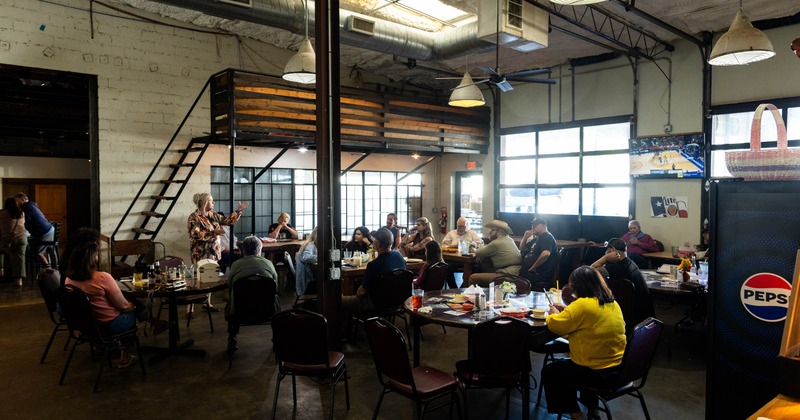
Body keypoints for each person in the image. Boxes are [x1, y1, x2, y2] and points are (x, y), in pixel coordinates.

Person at [542, 266, 627, 420]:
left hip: (596, 372)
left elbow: (556, 325)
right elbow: (588, 320)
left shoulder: (582, 305)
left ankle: (577, 415)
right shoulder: (611, 302)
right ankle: (594, 411)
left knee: (551, 372)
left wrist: (552, 314)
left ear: (578, 287)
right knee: (570, 367)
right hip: (620, 368)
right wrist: (569, 310)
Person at [64, 237, 147, 368]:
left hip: (86, 328)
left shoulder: (69, 281)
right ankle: (125, 355)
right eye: (96, 254)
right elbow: (123, 306)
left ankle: (100, 346)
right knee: (135, 309)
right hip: (109, 326)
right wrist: (132, 306)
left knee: (130, 306)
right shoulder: (102, 277)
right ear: (92, 259)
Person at [187, 192, 248, 312]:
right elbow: (195, 234)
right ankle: (190, 308)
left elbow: (228, 221)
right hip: (200, 252)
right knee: (197, 278)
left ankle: (207, 304)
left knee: (210, 277)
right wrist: (213, 233)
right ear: (204, 203)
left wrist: (238, 210)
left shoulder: (213, 215)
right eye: (211, 201)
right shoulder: (194, 217)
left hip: (213, 252)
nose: (213, 203)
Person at [225, 235, 280, 351]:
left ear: (243, 250)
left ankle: (232, 337)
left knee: (231, 299)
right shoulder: (268, 264)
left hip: (240, 310)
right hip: (266, 309)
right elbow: (276, 288)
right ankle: (276, 338)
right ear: (260, 250)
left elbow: (230, 287)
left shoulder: (236, 265)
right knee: (276, 298)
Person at [590, 238, 655, 326]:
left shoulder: (617, 268)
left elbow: (589, 273)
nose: (605, 253)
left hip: (634, 318)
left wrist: (604, 258)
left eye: (607, 251)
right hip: (644, 315)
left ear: (613, 251)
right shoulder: (630, 263)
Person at [342, 228, 406, 317]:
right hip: (397, 300)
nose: (373, 241)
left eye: (374, 239)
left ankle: (345, 328)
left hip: (376, 303)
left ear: (378, 244)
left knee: (339, 300)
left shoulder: (374, 265)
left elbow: (361, 293)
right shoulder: (399, 256)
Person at [468, 220, 522, 287]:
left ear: (499, 232)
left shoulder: (496, 243)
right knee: (484, 268)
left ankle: (470, 296)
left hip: (506, 275)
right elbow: (485, 250)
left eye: (492, 230)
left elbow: (477, 252)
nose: (490, 232)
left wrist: (475, 246)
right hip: (515, 273)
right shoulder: (508, 239)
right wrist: (484, 252)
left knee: (473, 278)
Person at [14, 193, 55, 266]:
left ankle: (49, 270)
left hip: (45, 232)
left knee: (38, 253)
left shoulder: (26, 207)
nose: (16, 204)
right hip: (50, 229)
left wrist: (25, 230)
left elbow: (27, 222)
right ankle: (55, 269)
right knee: (50, 250)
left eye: (17, 201)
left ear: (23, 200)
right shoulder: (32, 205)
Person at [520, 217, 559, 289]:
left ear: (544, 226)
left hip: (539, 274)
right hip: (532, 272)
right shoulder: (538, 238)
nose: (533, 227)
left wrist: (533, 267)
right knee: (515, 276)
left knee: (516, 279)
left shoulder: (547, 237)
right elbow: (522, 248)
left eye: (536, 225)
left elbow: (546, 254)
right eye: (532, 225)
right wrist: (525, 237)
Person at [0, 197, 28, 286]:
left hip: (6, 240)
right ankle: (19, 280)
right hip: (21, 238)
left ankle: (1, 270)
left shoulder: (2, 214)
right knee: (20, 257)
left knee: (0, 251)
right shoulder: (21, 213)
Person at [295, 227, 318, 296]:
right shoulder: (311, 245)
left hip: (305, 280)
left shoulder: (309, 243)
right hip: (308, 283)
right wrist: (321, 257)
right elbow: (306, 257)